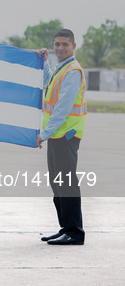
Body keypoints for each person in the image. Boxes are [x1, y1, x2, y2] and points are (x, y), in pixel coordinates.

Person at [36, 29, 87, 245]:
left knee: (66, 183)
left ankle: (74, 232)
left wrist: (43, 134)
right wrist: (46, 63)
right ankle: (65, 228)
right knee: (58, 184)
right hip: (57, 136)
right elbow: (48, 87)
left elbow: (62, 108)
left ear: (73, 46)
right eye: (57, 44)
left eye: (65, 44)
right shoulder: (60, 68)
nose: (60, 48)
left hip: (66, 136)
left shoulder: (73, 71)